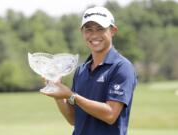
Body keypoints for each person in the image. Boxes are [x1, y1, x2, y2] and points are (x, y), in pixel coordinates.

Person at [42, 6, 137, 135]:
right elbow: (74, 119)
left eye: (100, 29)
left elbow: (110, 114)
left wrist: (71, 96)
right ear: (82, 32)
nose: (94, 35)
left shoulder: (122, 67)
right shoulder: (81, 70)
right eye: (89, 30)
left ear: (113, 30)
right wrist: (58, 94)